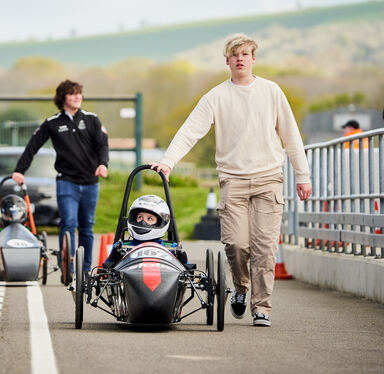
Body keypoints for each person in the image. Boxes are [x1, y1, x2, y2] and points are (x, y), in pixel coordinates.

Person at [150, 33, 312, 327]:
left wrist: (303, 175)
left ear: (253, 59)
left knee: (264, 248)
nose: (240, 58)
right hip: (233, 181)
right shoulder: (216, 96)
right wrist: (167, 162)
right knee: (236, 246)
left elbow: (291, 136)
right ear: (227, 60)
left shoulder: (272, 91)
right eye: (235, 54)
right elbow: (190, 131)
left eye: (246, 54)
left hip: (268, 180)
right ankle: (240, 287)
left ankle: (262, 307)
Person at [12, 79, 109, 275]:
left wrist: (103, 164)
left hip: (90, 182)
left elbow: (102, 144)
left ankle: (86, 269)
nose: (77, 97)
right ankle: (69, 267)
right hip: (66, 182)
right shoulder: (52, 123)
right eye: (73, 93)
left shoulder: (92, 119)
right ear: (63, 97)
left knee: (87, 227)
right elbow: (33, 146)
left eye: (79, 93)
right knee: (68, 222)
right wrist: (19, 170)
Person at [106, 194, 187, 265]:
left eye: (150, 219)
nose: (143, 222)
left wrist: (182, 261)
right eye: (140, 217)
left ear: (160, 222)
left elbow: (188, 273)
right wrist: (113, 258)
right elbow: (104, 271)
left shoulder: (172, 248)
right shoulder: (122, 247)